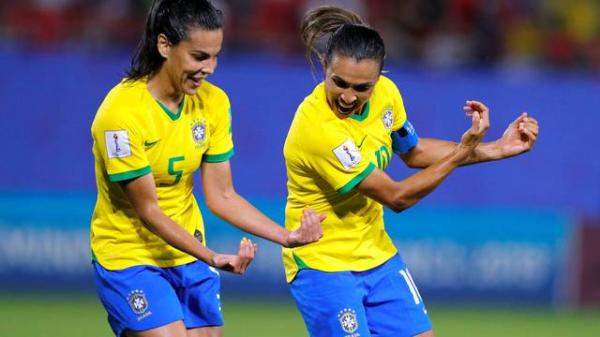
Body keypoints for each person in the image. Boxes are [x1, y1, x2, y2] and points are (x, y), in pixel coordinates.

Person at [282, 6, 539, 337]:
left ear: (379, 78)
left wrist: (496, 149)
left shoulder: (387, 94)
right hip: (323, 265)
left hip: (377, 256)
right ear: (324, 66)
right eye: (339, 82)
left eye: (362, 88)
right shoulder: (317, 128)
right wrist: (463, 148)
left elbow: (415, 153)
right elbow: (397, 196)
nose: (348, 97)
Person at [89, 1, 323, 337]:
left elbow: (222, 195)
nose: (210, 68)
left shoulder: (214, 103)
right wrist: (211, 256)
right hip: (129, 256)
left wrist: (287, 237)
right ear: (165, 45)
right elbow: (149, 211)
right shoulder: (120, 116)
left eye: (215, 56)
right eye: (199, 56)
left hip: (187, 253)